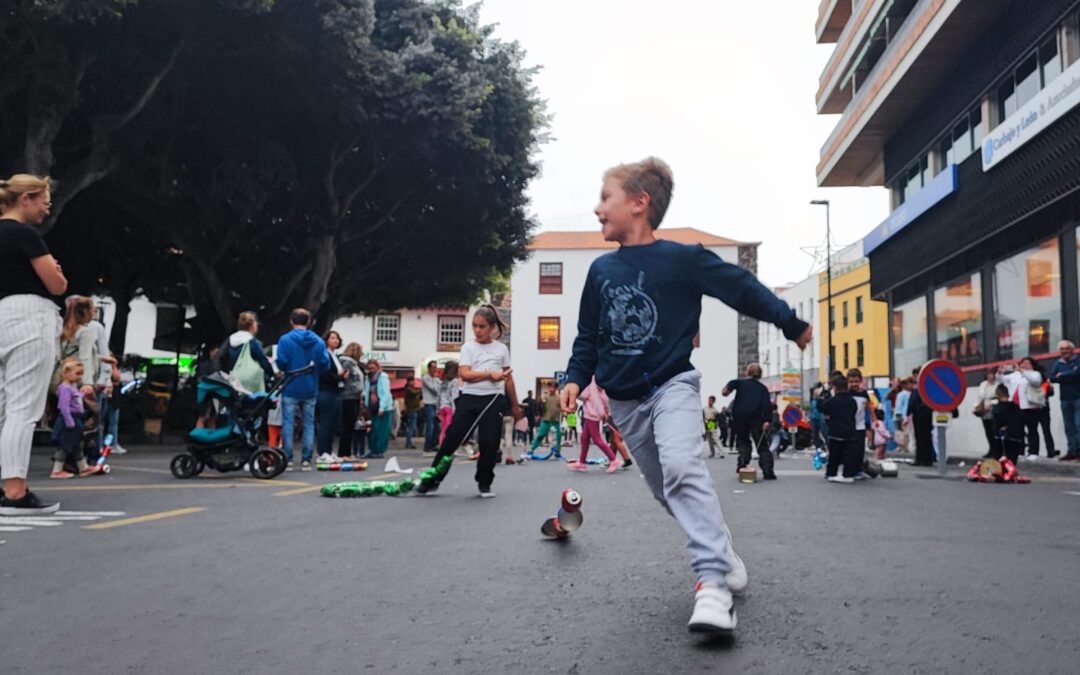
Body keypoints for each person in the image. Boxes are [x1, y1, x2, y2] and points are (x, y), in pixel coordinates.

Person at [559, 157, 811, 635]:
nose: (597, 208)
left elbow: (740, 288)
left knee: (681, 467)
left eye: (606, 197)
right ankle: (722, 550)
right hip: (624, 402)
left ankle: (713, 585)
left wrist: (788, 321)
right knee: (665, 489)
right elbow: (588, 334)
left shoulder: (682, 259)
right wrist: (575, 377)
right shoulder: (601, 270)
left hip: (671, 384)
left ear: (639, 203)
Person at [0, 174, 67, 515]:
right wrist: (58, 272)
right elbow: (56, 285)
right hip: (28, 316)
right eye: (44, 201)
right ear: (25, 198)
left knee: (2, 407)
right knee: (22, 408)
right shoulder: (25, 235)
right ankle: (14, 491)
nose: (46, 209)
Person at [417, 305, 522, 497]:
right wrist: (489, 374)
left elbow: (508, 379)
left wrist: (515, 405)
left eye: (482, 326)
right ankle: (432, 479)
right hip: (470, 397)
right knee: (452, 438)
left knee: (489, 442)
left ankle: (484, 482)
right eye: (475, 326)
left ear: (492, 328)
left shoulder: (501, 349)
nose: (477, 330)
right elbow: (464, 374)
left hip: (493, 399)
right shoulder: (468, 347)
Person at [274, 308, 331, 471]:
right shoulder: (318, 341)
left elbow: (281, 362)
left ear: (291, 321)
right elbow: (325, 364)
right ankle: (306, 459)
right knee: (309, 423)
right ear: (309, 322)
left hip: (291, 385)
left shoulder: (285, 340)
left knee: (288, 423)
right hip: (311, 386)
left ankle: (288, 459)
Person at [50, 358, 103, 478]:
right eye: (77, 373)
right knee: (65, 445)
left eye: (81, 374)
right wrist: (69, 420)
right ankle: (57, 470)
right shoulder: (65, 388)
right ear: (66, 373)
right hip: (69, 420)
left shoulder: (72, 386)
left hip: (76, 418)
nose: (80, 377)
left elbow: (75, 400)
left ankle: (83, 467)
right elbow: (64, 406)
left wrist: (83, 394)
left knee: (77, 444)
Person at [724, 363, 775, 480]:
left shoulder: (740, 383)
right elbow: (767, 406)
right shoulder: (762, 389)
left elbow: (731, 384)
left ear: (747, 372)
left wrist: (727, 390)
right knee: (762, 445)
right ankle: (768, 471)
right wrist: (767, 420)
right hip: (756, 419)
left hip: (739, 418)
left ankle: (742, 464)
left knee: (743, 441)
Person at [568, 376, 619, 473]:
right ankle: (581, 462)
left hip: (592, 413)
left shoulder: (591, 381)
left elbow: (584, 395)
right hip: (593, 413)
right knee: (584, 438)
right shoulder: (600, 381)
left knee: (596, 439)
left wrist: (576, 391)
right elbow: (604, 399)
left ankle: (613, 460)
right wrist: (605, 411)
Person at [217, 311, 275, 393]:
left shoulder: (229, 341)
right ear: (252, 326)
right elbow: (263, 362)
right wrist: (272, 373)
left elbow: (221, 358)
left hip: (236, 382)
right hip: (253, 381)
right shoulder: (252, 342)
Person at [1002, 358, 1046, 459]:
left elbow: (1035, 381)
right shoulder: (1015, 375)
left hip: (1030, 407)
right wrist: (1000, 373)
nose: (1024, 365)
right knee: (1018, 431)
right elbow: (1003, 379)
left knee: (1032, 430)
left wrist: (1023, 372)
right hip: (1017, 406)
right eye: (1023, 363)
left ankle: (1033, 452)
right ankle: (1020, 451)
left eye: (1027, 363)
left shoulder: (1035, 374)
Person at [820, 374, 861, 483]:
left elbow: (822, 408)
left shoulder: (833, 401)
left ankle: (831, 473)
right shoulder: (852, 401)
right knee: (849, 456)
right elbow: (854, 412)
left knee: (834, 455)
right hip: (850, 432)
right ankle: (848, 474)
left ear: (834, 388)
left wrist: (823, 395)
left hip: (836, 432)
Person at [315, 330, 346, 463]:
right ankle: (322, 452)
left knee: (333, 423)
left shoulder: (335, 356)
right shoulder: (325, 355)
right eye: (332, 338)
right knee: (326, 423)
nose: (335, 340)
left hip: (336, 391)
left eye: (337, 338)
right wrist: (340, 377)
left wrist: (342, 377)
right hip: (326, 391)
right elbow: (325, 374)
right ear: (326, 340)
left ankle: (328, 451)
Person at [1050, 340, 1080, 461]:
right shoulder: (1058, 363)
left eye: (1067, 348)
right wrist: (1069, 375)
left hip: (1078, 397)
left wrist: (1062, 375)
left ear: (1072, 349)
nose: (1064, 351)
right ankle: (1072, 451)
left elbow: (1078, 373)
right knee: (1069, 427)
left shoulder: (1078, 360)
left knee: (1078, 425)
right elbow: (1052, 377)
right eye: (1062, 349)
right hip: (1065, 399)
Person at [338, 342, 365, 460]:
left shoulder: (352, 364)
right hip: (349, 397)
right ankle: (344, 453)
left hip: (353, 397)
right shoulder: (347, 363)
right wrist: (359, 390)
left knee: (349, 426)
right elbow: (350, 380)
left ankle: (347, 452)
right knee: (347, 426)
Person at [362, 359, 394, 458]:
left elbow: (385, 393)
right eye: (369, 368)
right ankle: (372, 449)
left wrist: (382, 407)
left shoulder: (383, 377)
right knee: (372, 430)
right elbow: (367, 392)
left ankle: (379, 450)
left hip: (383, 407)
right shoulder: (367, 378)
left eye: (373, 368)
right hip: (372, 406)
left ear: (377, 367)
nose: (371, 370)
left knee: (382, 430)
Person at [527, 382, 563, 459]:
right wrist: (540, 409)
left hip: (555, 421)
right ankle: (531, 449)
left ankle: (557, 451)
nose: (550, 389)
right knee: (540, 435)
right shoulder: (545, 397)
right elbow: (540, 408)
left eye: (552, 387)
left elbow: (562, 407)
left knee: (558, 437)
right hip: (546, 420)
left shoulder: (559, 398)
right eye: (549, 387)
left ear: (556, 388)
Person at [990, 383, 1024, 463]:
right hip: (1015, 438)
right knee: (1011, 463)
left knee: (999, 462)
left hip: (1001, 439)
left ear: (998, 395)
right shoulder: (1016, 407)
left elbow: (996, 425)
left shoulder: (997, 408)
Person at [1034, 360, 1057, 458]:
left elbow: (1050, 393)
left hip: (1042, 407)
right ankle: (1046, 450)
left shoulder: (1044, 382)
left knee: (1044, 430)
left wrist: (1049, 387)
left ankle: (1049, 450)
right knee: (1042, 430)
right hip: (1038, 408)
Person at [975, 367, 999, 459]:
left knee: (994, 430)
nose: (990, 376)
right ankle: (991, 449)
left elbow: (999, 397)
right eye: (988, 374)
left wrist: (991, 403)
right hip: (984, 409)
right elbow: (980, 396)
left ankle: (997, 450)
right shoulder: (983, 384)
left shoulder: (998, 384)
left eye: (992, 374)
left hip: (994, 408)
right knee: (988, 430)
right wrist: (977, 406)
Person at [437, 361, 460, 446]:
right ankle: (446, 446)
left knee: (443, 429)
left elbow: (439, 396)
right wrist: (455, 410)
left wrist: (438, 409)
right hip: (450, 408)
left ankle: (441, 444)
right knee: (449, 429)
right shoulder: (455, 381)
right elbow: (454, 397)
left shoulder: (443, 381)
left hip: (442, 407)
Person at [421, 361, 441, 452]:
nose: (435, 369)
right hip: (429, 404)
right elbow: (434, 390)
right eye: (433, 367)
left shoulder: (437, 379)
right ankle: (427, 446)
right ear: (429, 368)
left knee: (437, 427)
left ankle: (434, 444)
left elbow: (442, 389)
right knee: (430, 426)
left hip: (436, 404)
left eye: (436, 367)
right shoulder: (425, 378)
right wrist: (436, 382)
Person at [403, 377, 423, 449]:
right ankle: (408, 443)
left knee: (411, 427)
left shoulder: (411, 389)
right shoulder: (408, 389)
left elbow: (418, 397)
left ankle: (409, 443)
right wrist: (421, 390)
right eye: (412, 381)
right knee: (411, 427)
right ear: (408, 382)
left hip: (414, 410)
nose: (413, 383)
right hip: (411, 410)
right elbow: (414, 392)